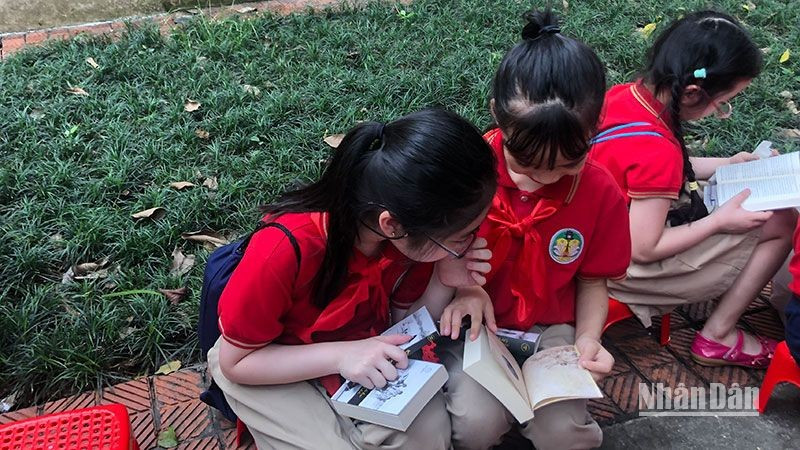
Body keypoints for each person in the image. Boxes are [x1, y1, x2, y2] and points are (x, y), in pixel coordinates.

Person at [206, 108, 498, 449]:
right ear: (392, 224)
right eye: (462, 235)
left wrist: (445, 278)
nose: (473, 240)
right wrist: (341, 356)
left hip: (361, 351)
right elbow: (236, 361)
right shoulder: (283, 250)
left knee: (429, 436)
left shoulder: (406, 235)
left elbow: (403, 323)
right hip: (268, 360)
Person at [427, 10, 632, 450]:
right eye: (526, 162)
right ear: (497, 115)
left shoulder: (600, 192)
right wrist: (463, 288)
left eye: (565, 164)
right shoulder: (465, 173)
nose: (540, 178)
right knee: (476, 424)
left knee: (563, 432)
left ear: (596, 129)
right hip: (475, 326)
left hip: (551, 329)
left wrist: (587, 341)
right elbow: (429, 254)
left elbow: (594, 279)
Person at [590, 10, 796, 368]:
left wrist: (727, 164)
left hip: (595, 237)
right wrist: (719, 223)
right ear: (691, 93)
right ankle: (718, 336)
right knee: (781, 223)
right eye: (723, 104)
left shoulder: (627, 96)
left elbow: (640, 176)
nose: (722, 110)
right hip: (619, 270)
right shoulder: (658, 153)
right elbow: (645, 248)